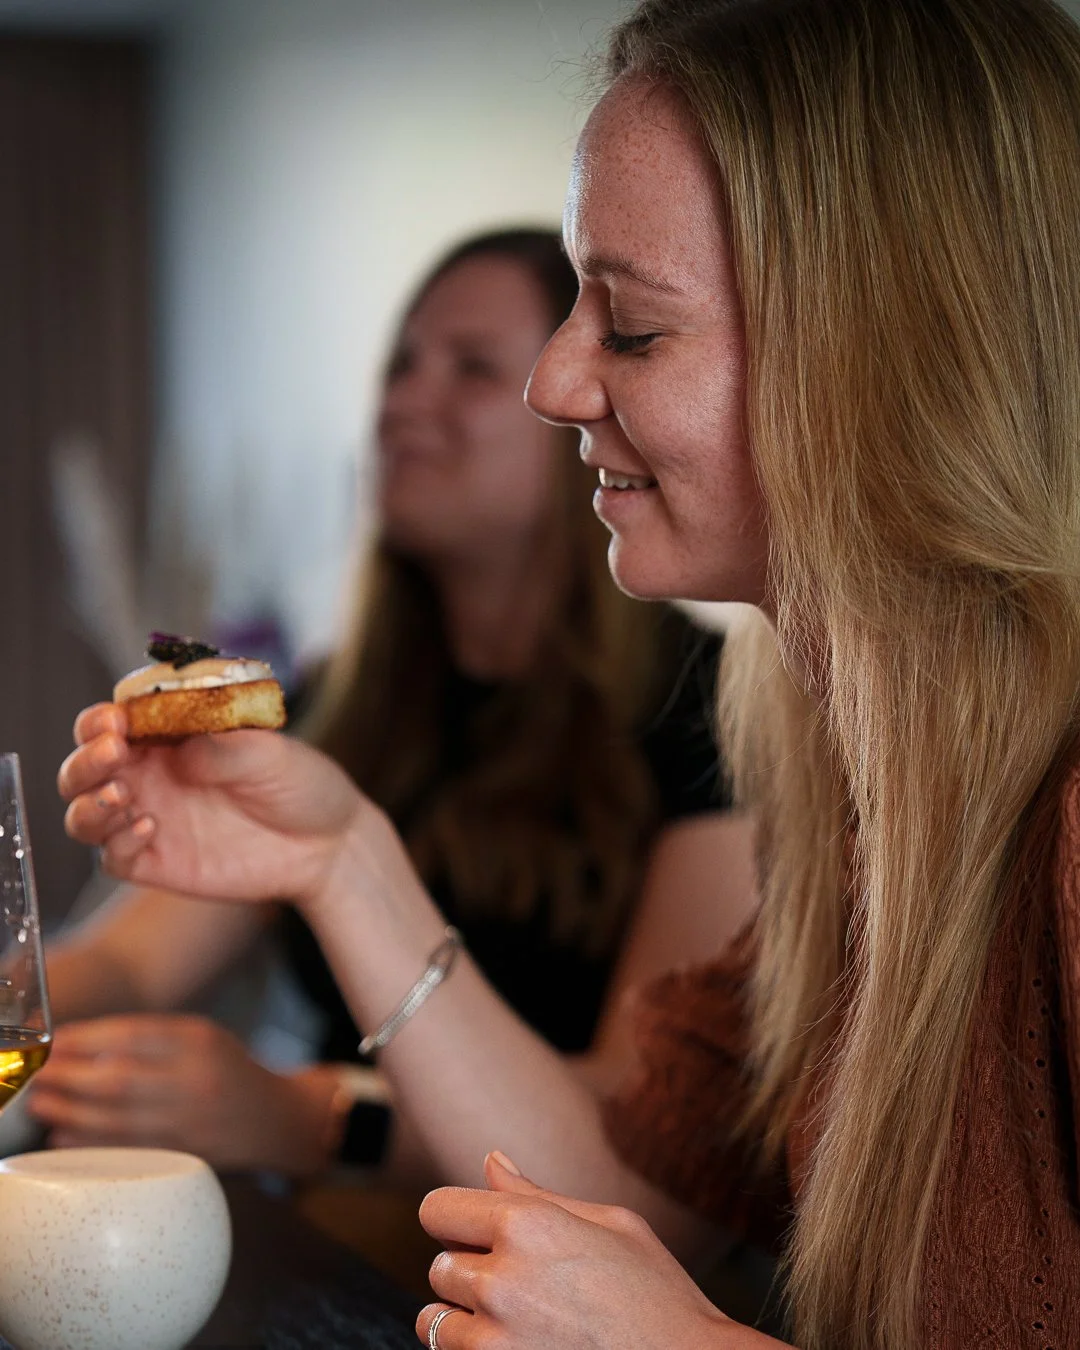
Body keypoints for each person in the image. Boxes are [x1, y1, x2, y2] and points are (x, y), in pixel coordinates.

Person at [57, 0, 1080, 1344]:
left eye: (633, 329)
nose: (554, 385)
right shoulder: (862, 790)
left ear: (886, 363)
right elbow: (611, 1185)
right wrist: (340, 857)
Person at [36, 228, 751, 1182]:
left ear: (582, 412)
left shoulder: (711, 718)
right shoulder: (337, 699)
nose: (406, 402)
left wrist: (310, 1113)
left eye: (472, 370)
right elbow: (131, 961)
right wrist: (15, 993)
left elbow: (646, 1148)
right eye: (401, 364)